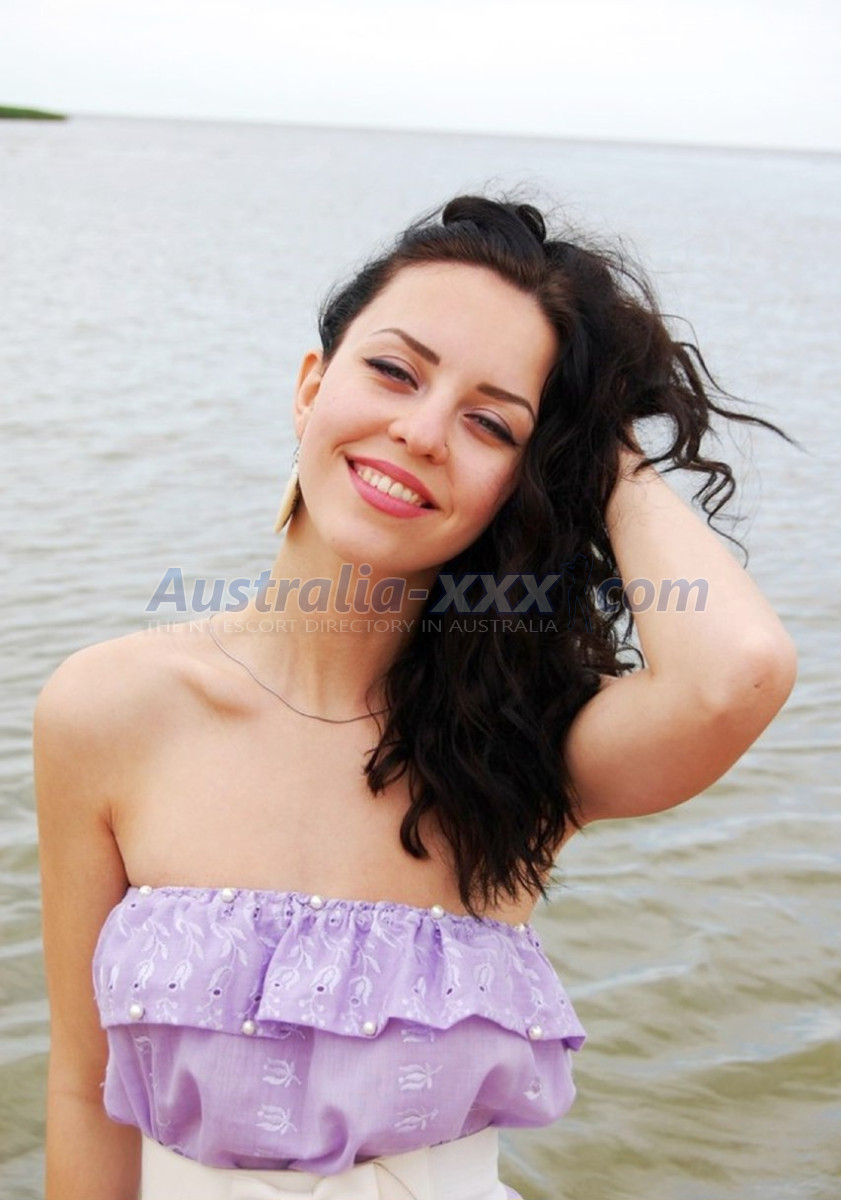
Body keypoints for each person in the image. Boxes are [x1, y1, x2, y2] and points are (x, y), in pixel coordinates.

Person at [33, 194, 798, 1200]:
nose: (423, 431)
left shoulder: (525, 744)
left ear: (526, 477)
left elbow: (737, 672)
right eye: (394, 371)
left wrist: (597, 446)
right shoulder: (108, 709)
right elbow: (84, 1088)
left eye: (490, 422)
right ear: (311, 388)